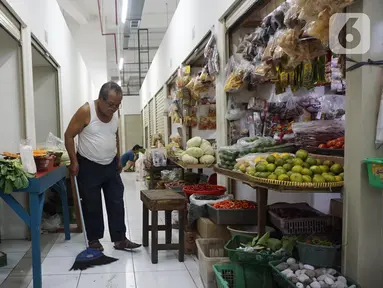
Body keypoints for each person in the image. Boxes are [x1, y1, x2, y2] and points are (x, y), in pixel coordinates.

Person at [64, 81, 141, 251]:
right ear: (100, 99)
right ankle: (94, 240)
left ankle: (120, 239)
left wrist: (118, 157)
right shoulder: (86, 111)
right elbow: (69, 135)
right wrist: (74, 161)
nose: (114, 109)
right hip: (88, 165)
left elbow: (115, 135)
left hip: (110, 164)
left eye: (118, 105)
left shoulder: (114, 114)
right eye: (111, 104)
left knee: (116, 200)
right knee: (92, 204)